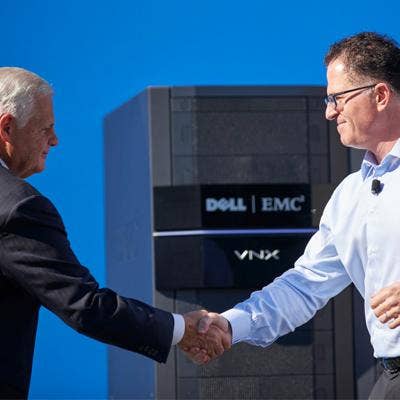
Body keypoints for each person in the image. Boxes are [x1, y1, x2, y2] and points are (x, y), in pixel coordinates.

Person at [190, 32, 400, 399]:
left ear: (380, 95)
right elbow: (304, 285)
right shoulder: (350, 195)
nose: (329, 112)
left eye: (338, 98)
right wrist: (230, 325)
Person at [0, 67, 230, 398]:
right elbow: (84, 305)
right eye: (45, 128)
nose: (55, 140)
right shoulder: (18, 206)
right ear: (7, 127)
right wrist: (181, 329)